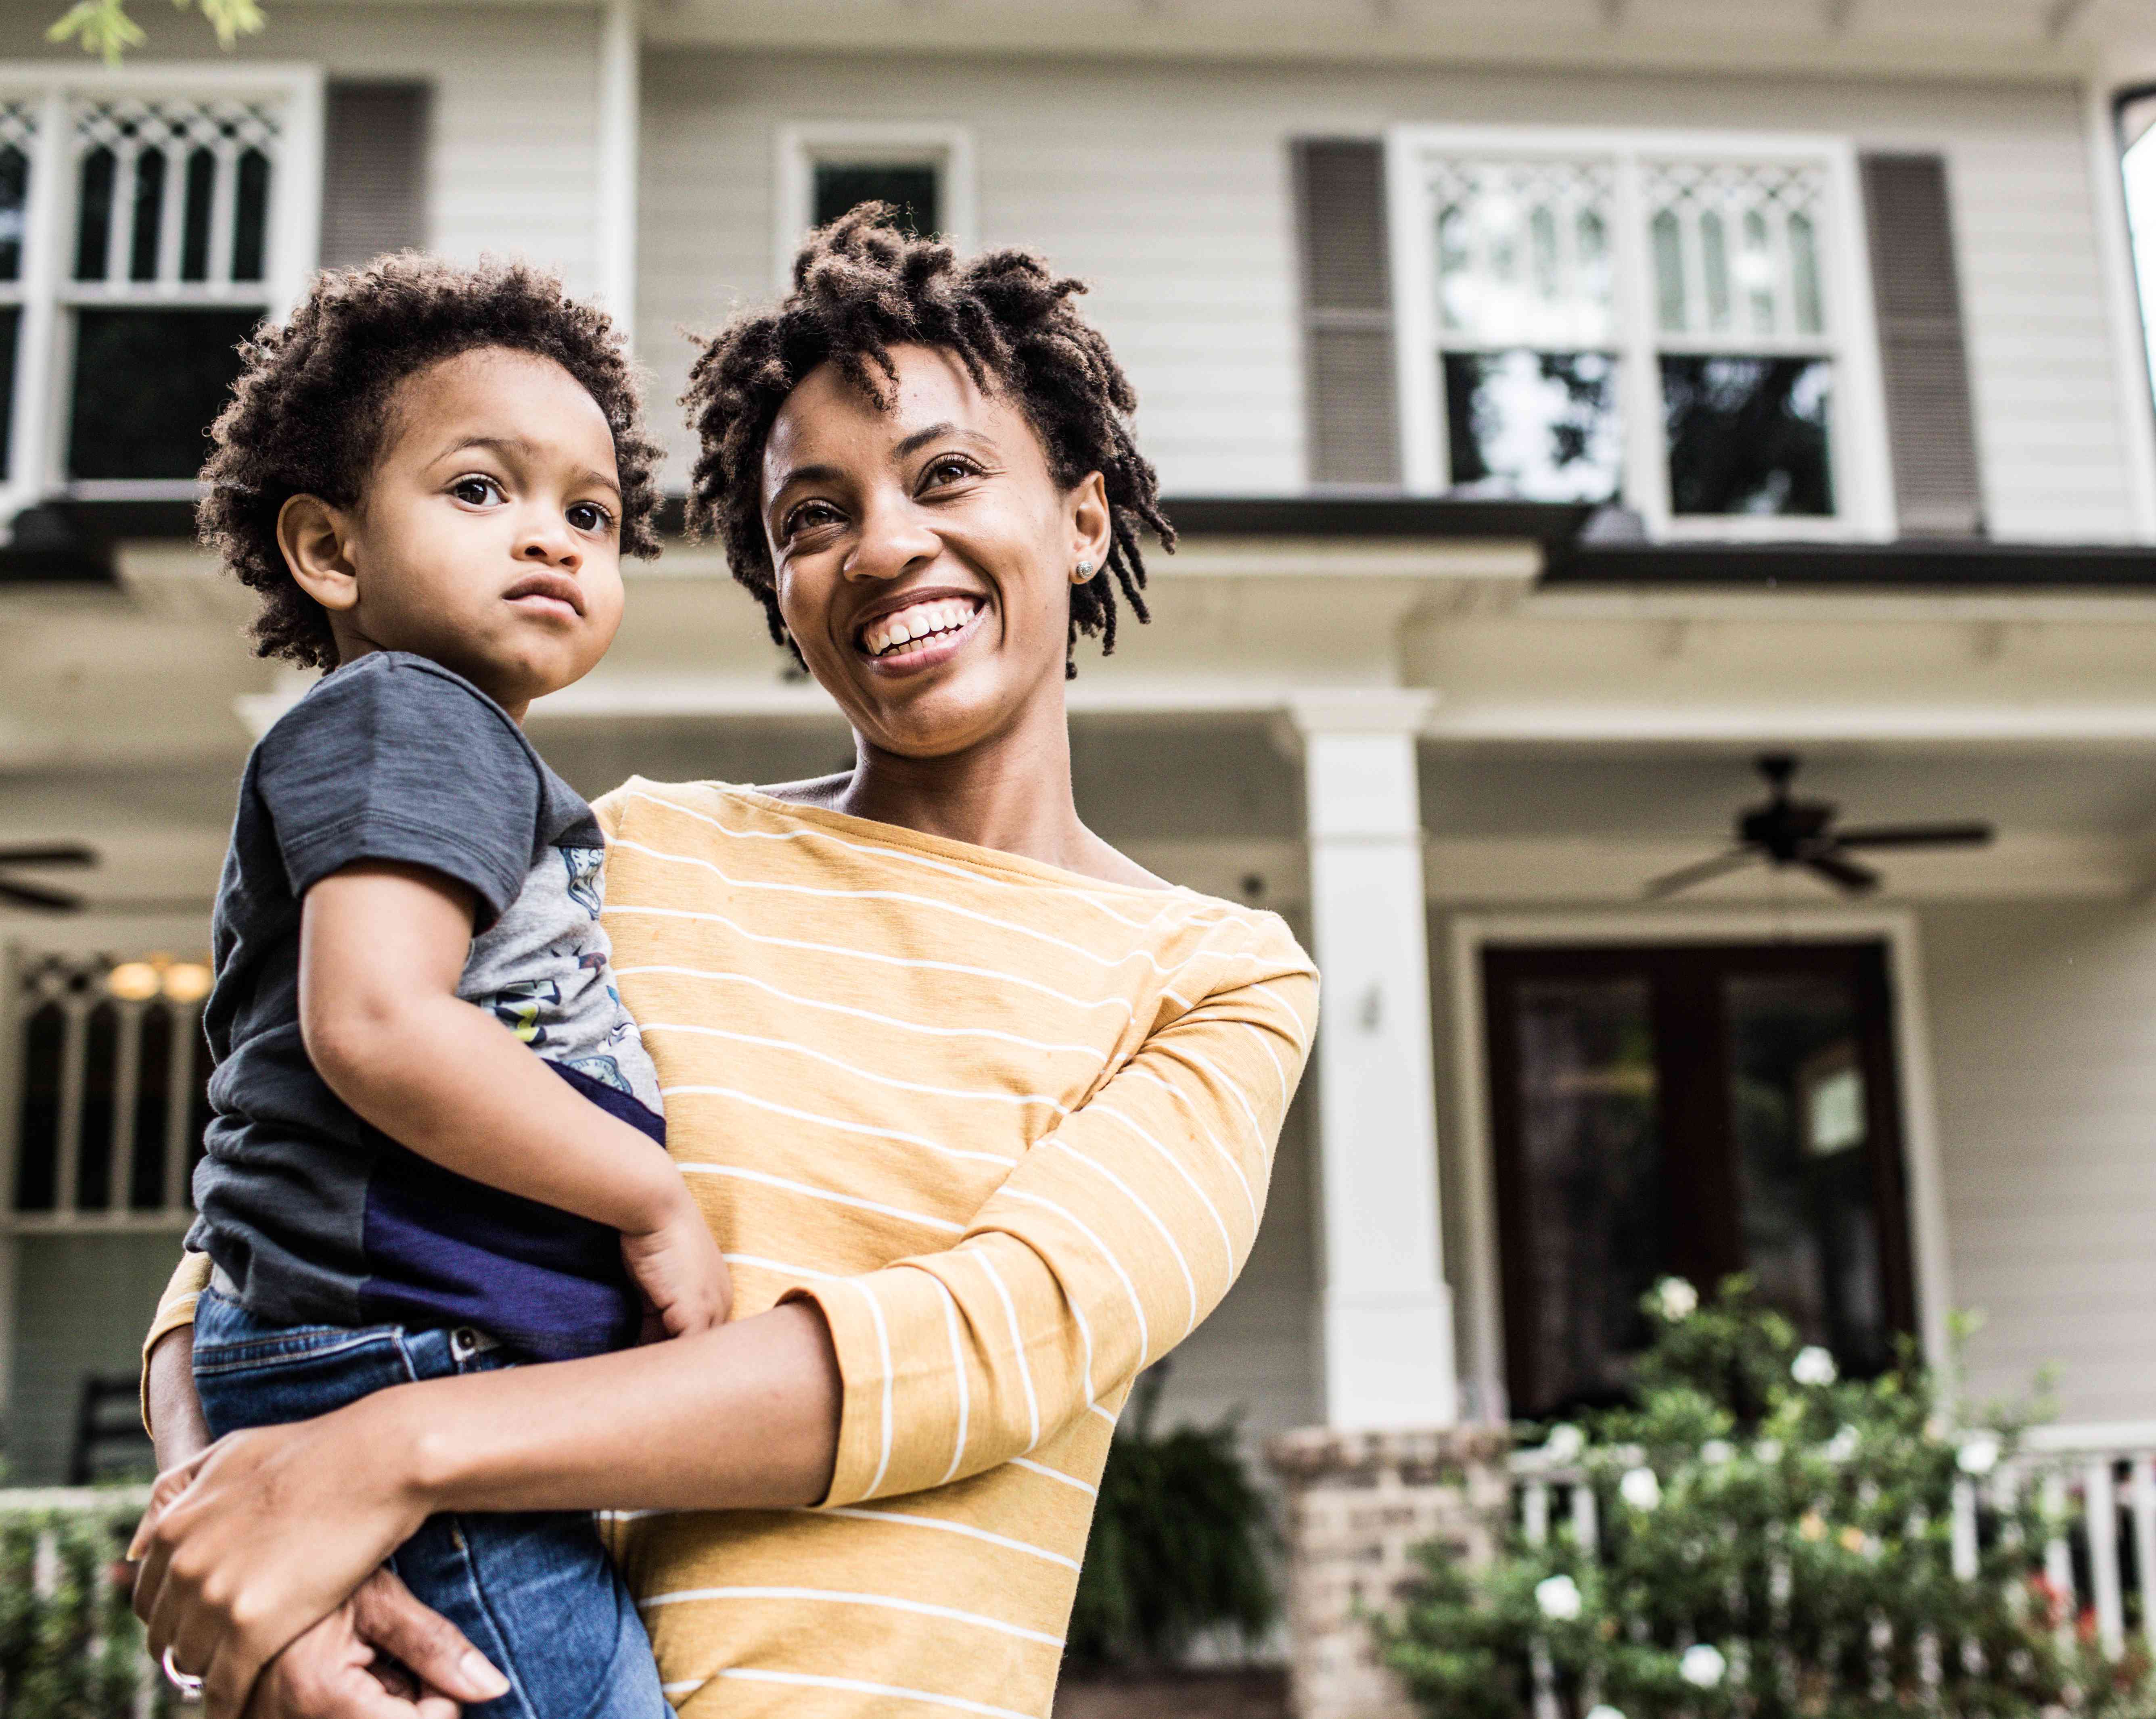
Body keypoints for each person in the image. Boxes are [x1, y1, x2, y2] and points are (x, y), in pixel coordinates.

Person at [133, 207, 1320, 1719]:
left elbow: (977, 1355)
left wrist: (382, 1456)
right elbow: (264, 1210)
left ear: (1084, 520)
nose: (886, 543)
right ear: (779, 587)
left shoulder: (1210, 978)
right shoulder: (626, 854)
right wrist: (269, 1578)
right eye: (812, 516)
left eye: (947, 474)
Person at [154, 255, 732, 1719]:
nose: (548, 538)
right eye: (481, 491)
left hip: (403, 1359)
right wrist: (649, 1197)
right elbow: (379, 1025)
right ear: (331, 553)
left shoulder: (430, 743)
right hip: (401, 1362)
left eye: (588, 513)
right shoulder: (418, 716)